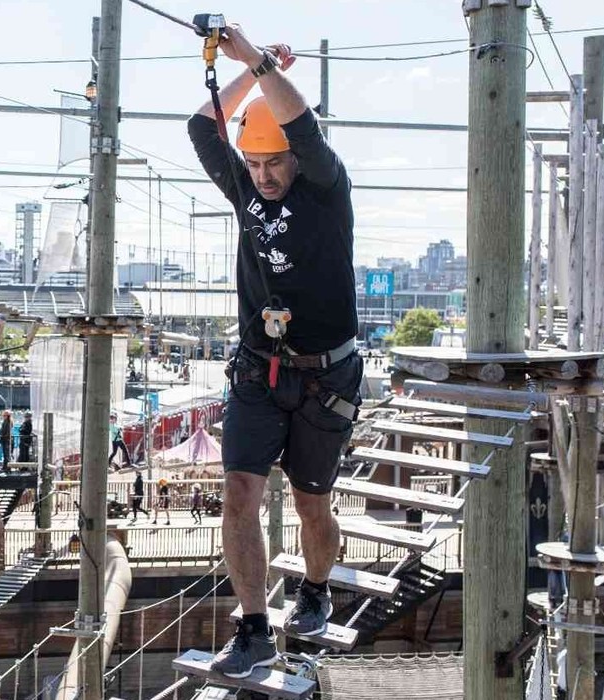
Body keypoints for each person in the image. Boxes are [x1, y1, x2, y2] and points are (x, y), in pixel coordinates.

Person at [188, 27, 362, 678]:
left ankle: (315, 590)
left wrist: (259, 62)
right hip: (259, 371)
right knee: (238, 492)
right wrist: (248, 79)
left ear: (293, 159)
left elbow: (307, 133)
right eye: (253, 164)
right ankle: (253, 626)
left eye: (272, 164)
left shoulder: (324, 188)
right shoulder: (243, 189)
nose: (261, 177)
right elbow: (201, 127)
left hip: (326, 376)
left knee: (310, 502)